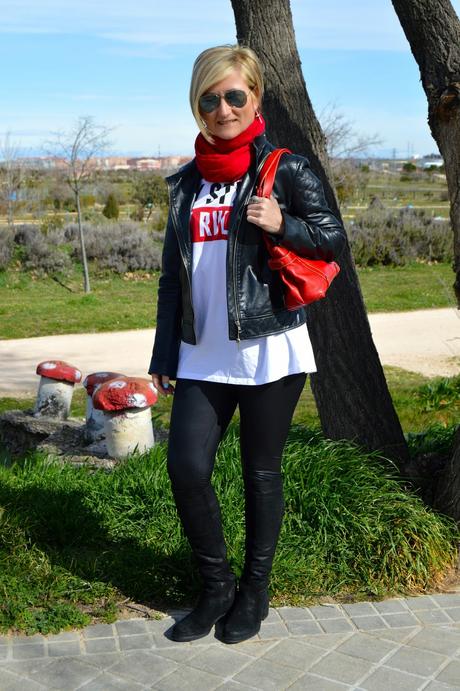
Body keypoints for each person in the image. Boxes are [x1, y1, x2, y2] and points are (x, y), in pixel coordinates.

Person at [149, 44, 346, 644]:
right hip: (202, 351)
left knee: (261, 474)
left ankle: (254, 594)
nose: (223, 108)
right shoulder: (186, 185)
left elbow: (332, 240)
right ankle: (215, 589)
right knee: (186, 467)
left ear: (255, 98)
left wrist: (280, 223)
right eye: (210, 99)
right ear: (197, 107)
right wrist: (163, 355)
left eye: (235, 95)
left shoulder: (287, 169)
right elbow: (171, 278)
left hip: (269, 348)